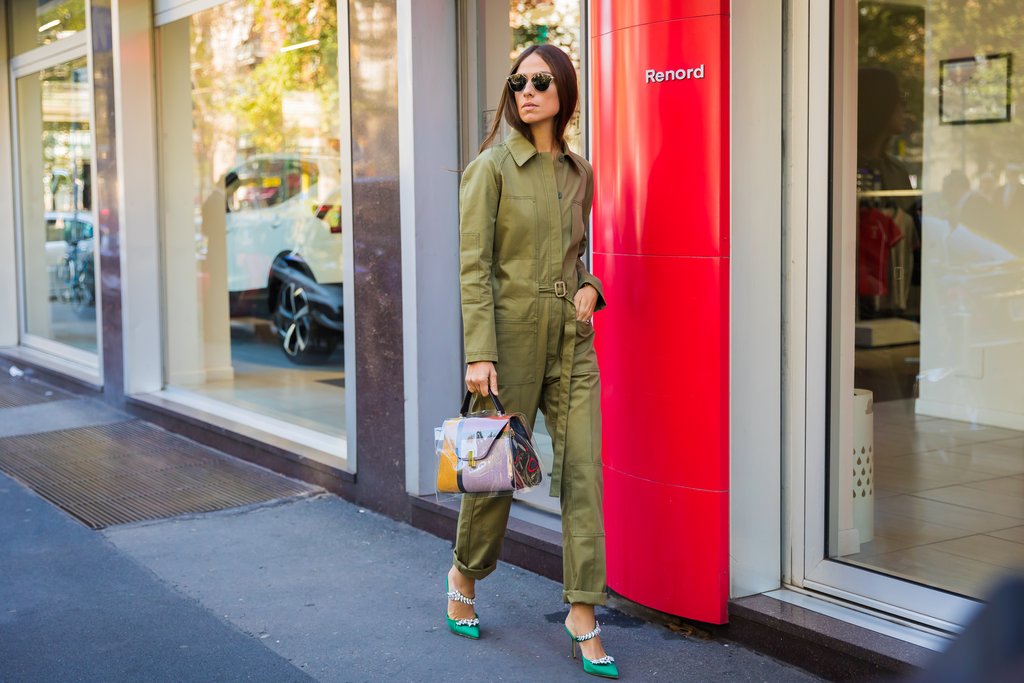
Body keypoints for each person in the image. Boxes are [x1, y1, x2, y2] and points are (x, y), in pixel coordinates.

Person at [444, 44, 618, 679]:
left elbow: (576, 255)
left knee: (584, 472)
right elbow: (474, 268)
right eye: (517, 81)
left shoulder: (580, 172)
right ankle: (465, 572)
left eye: (540, 81)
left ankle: (582, 611)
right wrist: (479, 354)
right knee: (495, 474)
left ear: (563, 92)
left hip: (571, 340)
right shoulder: (489, 168)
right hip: (509, 336)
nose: (526, 91)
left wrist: (593, 287)